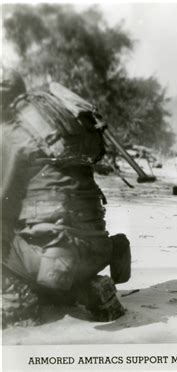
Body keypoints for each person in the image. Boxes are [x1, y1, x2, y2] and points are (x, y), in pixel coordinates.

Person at [1, 69, 131, 326]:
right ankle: (88, 286)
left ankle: (14, 297)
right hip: (95, 252)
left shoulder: (9, 135)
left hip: (55, 260)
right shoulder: (63, 131)